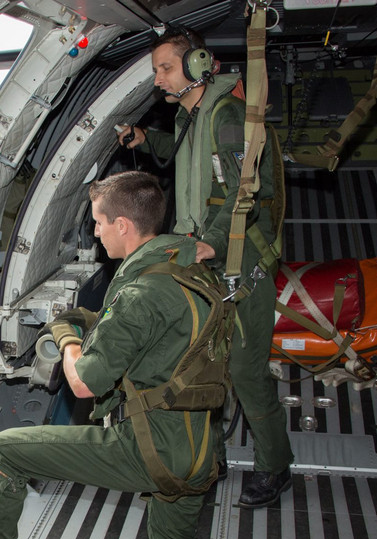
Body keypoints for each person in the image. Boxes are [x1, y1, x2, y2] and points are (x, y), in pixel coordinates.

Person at [0, 171, 297, 539]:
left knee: (3, 450)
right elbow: (155, 339)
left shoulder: (138, 295)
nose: (96, 233)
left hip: (147, 448)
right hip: (199, 446)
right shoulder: (189, 269)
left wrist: (67, 336)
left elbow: (85, 383)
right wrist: (96, 324)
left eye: (99, 224)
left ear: (125, 225)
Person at [116, 29, 294, 508]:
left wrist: (211, 244)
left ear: (198, 64)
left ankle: (276, 466)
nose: (158, 80)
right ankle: (209, 459)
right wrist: (145, 138)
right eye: (156, 71)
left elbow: (244, 192)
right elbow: (187, 160)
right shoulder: (189, 117)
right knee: (199, 366)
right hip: (206, 260)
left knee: (246, 371)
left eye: (165, 68)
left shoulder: (228, 117)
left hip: (241, 263)